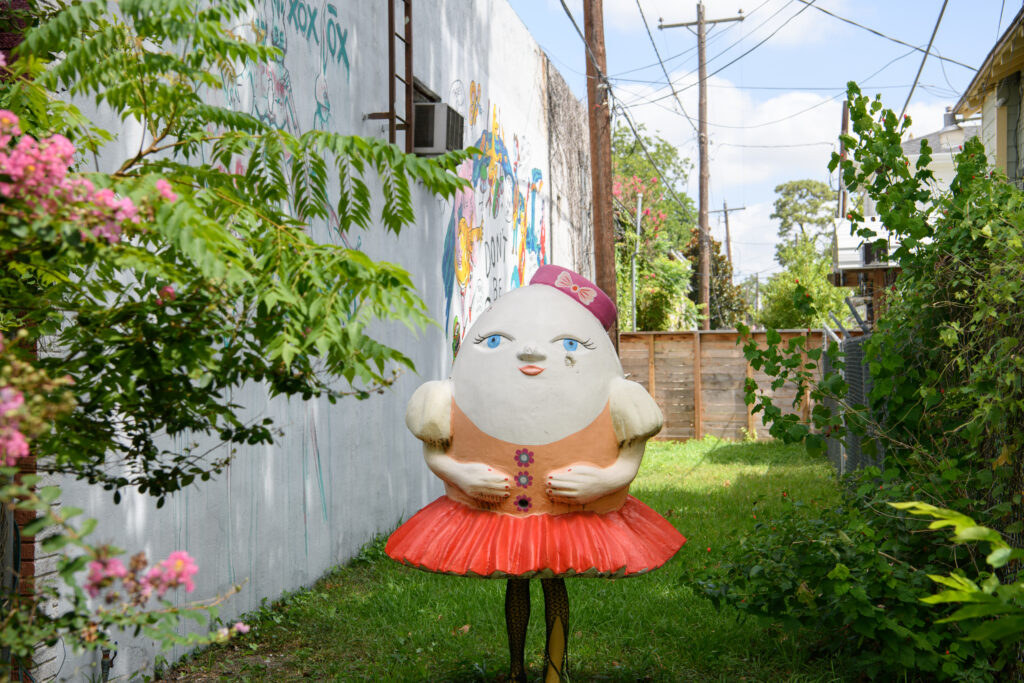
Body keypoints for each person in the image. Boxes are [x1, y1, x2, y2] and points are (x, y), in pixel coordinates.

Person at [387, 265, 685, 683]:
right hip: (503, 517)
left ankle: (555, 670)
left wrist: (602, 481)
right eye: (496, 341)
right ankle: (515, 669)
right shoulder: (445, 396)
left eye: (566, 342)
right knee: (517, 584)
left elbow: (629, 459)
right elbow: (435, 450)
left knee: (553, 583)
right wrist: (462, 474)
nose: (530, 353)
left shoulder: (620, 398)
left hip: (566, 516)